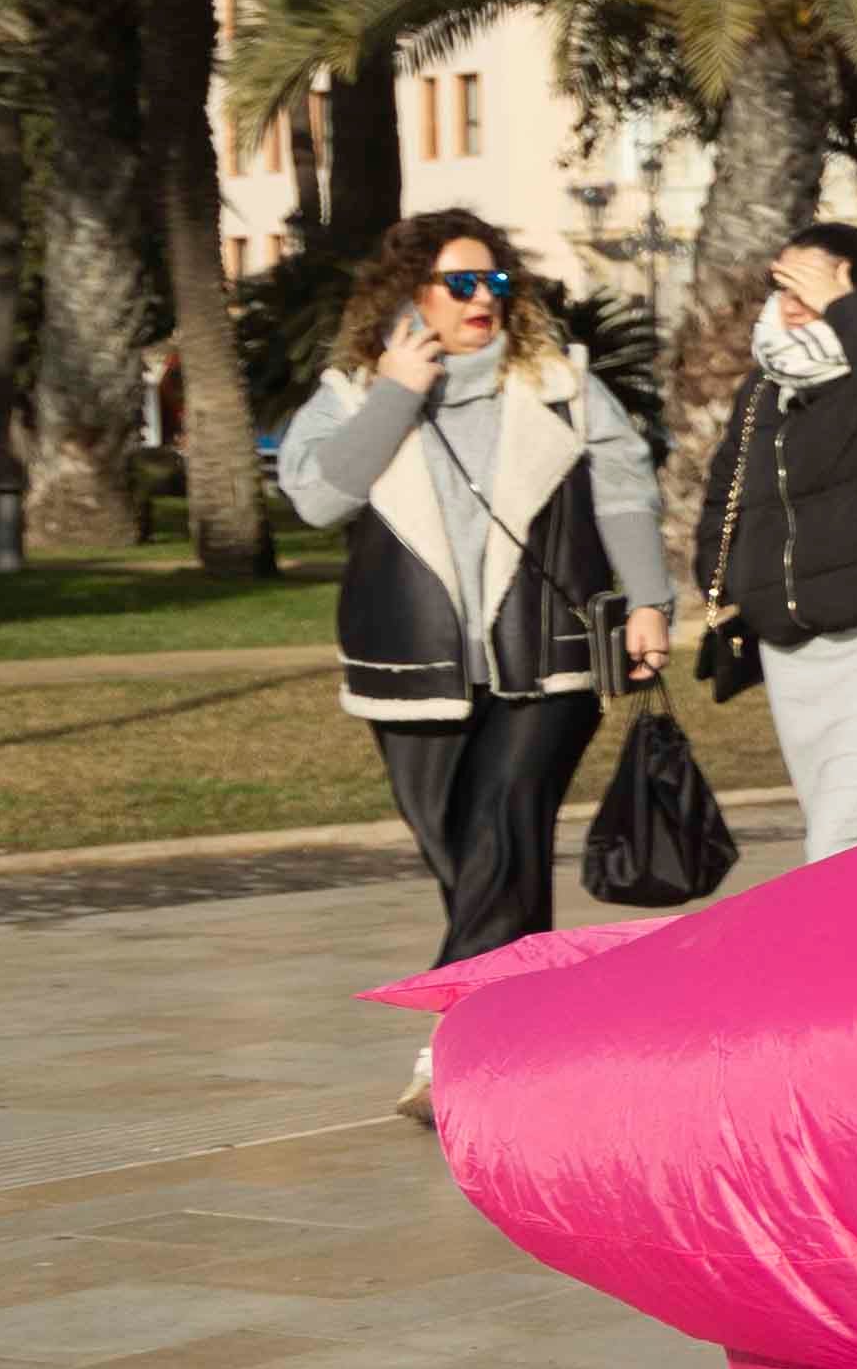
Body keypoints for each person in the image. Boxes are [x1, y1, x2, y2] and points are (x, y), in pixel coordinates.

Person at [278, 210, 675, 964]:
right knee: (464, 853)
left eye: (494, 280)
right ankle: (526, 1020)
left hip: (546, 658)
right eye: (459, 283)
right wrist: (398, 394)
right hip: (413, 664)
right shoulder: (355, 395)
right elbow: (320, 500)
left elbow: (625, 495)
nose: (480, 298)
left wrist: (651, 603)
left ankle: (455, 1023)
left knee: (501, 823)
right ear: (410, 294)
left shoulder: (563, 387)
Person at [691, 220, 857, 865]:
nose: (791, 299)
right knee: (840, 828)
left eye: (813, 283)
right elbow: (726, 490)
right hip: (792, 640)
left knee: (843, 832)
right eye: (783, 282)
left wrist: (851, 310)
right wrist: (724, 582)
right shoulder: (767, 385)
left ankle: (829, 962)